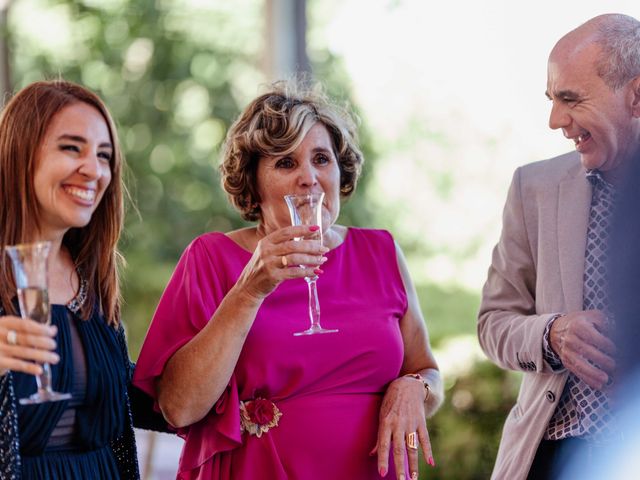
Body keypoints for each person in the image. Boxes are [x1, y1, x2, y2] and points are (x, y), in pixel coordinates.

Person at [132, 80, 444, 480]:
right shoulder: (210, 258)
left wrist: (414, 388)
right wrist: (249, 291)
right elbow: (179, 407)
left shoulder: (382, 253)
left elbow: (428, 372)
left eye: (321, 159)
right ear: (253, 182)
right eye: (285, 163)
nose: (309, 178)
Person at [477, 13, 640, 480]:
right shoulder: (534, 187)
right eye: (551, 100)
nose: (554, 121)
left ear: (636, 95)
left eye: (570, 99)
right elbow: (493, 323)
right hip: (551, 457)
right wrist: (551, 335)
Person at [0, 80, 164, 479]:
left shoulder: (91, 275)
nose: (94, 169)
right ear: (20, 154)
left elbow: (123, 399)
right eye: (72, 148)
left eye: (104, 155)